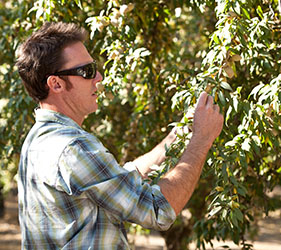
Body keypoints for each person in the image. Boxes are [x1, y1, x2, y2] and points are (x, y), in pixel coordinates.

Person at [16, 22, 223, 250]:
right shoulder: (72, 147)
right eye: (86, 71)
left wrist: (178, 134)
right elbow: (158, 210)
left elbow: (116, 180)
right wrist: (202, 139)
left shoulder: (38, 140)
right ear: (55, 84)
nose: (99, 78)